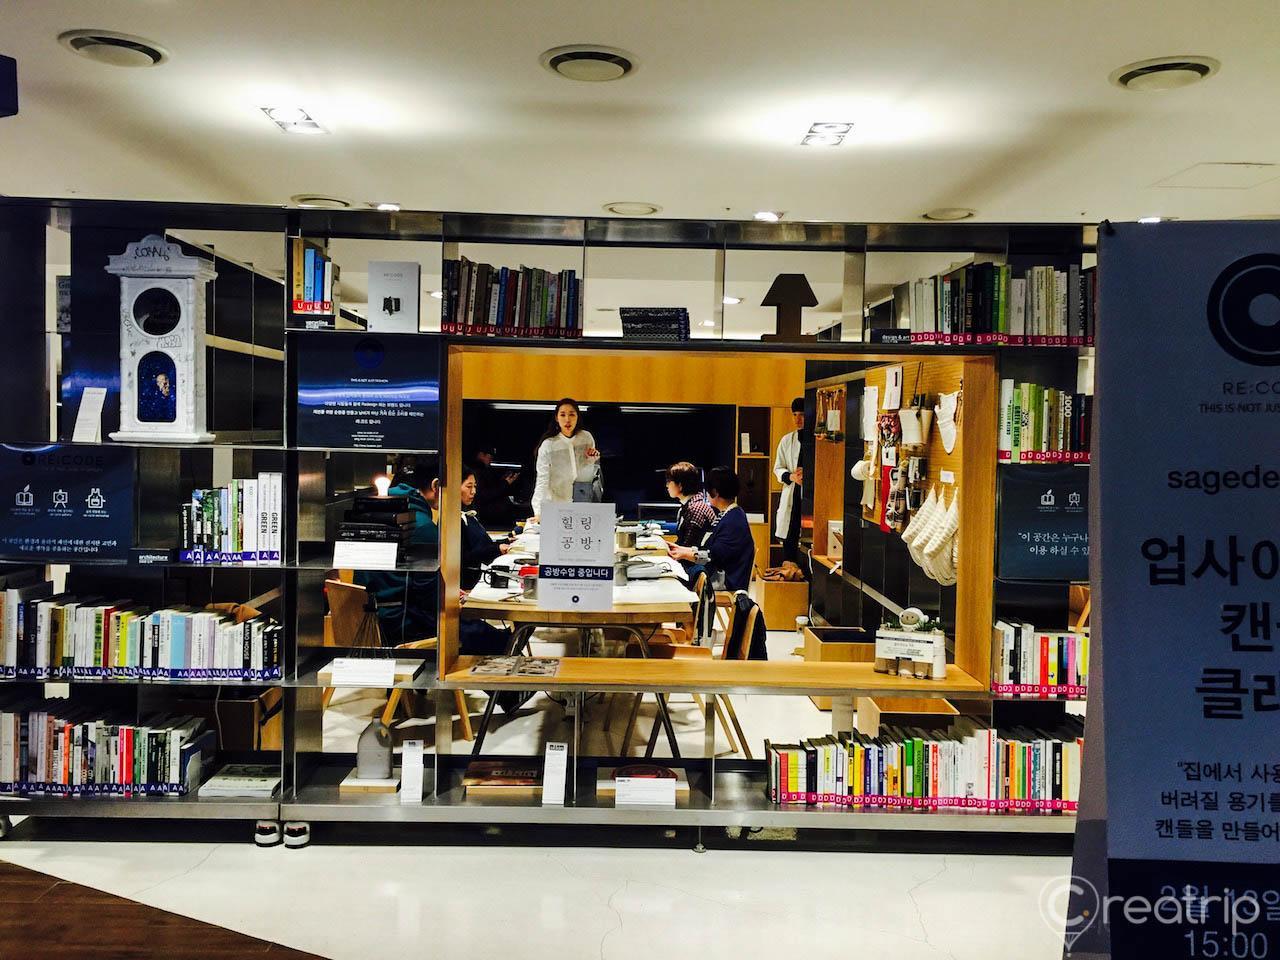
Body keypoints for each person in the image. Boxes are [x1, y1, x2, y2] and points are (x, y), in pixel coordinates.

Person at [354, 455, 440, 646]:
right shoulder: (423, 527)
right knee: (486, 636)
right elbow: (429, 597)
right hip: (402, 626)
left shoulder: (370, 513)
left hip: (367, 620)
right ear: (436, 486)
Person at [668, 466, 754, 592]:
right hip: (722, 574)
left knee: (674, 580)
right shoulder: (732, 514)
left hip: (726, 581)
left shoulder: (732, 520)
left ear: (714, 492)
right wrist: (682, 550)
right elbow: (710, 550)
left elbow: (714, 556)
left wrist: (685, 554)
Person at [529, 398, 600, 520]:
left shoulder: (586, 438)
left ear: (577, 417)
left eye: (572, 414)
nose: (567, 419)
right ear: (557, 418)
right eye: (563, 415)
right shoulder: (548, 445)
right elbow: (542, 480)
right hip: (556, 504)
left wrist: (592, 460)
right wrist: (538, 511)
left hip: (582, 502)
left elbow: (588, 474)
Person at [460, 465, 509, 590]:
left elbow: (483, 544)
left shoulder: (468, 515)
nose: (473, 491)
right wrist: (497, 549)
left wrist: (506, 542)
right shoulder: (453, 520)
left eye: (475, 486)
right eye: (469, 486)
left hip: (479, 576)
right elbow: (465, 557)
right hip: (469, 584)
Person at [773, 397, 805, 563]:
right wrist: (792, 476)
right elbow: (777, 468)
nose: (798, 419)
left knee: (806, 544)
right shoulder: (787, 440)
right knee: (789, 541)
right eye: (794, 414)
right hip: (792, 492)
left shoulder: (815, 441)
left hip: (808, 497)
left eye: (802, 414)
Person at [665, 461, 718, 548]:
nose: (667, 485)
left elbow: (689, 547)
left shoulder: (696, 509)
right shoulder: (689, 505)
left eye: (669, 481)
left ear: (680, 485)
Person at [470, 444, 520, 529]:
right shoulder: (477, 472)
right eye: (490, 456)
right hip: (487, 517)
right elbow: (484, 495)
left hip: (489, 515)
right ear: (481, 455)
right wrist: (505, 483)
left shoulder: (484, 471)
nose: (491, 460)